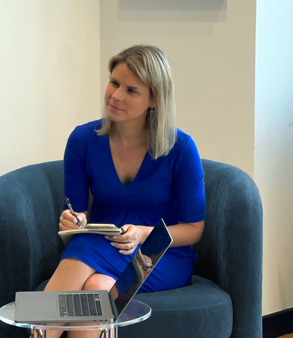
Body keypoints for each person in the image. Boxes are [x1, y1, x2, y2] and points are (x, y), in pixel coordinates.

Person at [44, 45, 205, 338]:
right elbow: (77, 211)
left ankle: (40, 330)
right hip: (104, 244)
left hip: (159, 256)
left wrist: (143, 233)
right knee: (95, 288)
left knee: (85, 249)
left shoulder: (181, 147)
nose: (115, 96)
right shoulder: (83, 140)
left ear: (154, 99)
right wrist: (73, 221)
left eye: (131, 90)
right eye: (114, 82)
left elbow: (194, 229)